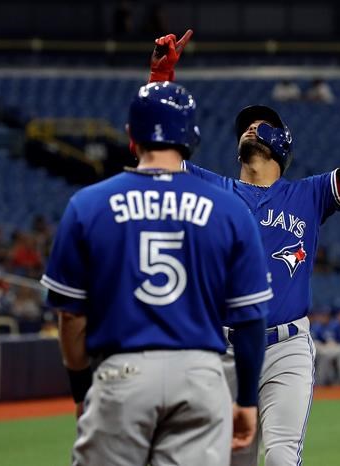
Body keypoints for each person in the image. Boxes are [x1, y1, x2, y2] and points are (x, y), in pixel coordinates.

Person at [149, 30, 340, 465]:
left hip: (286, 350)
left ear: (283, 144)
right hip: (216, 348)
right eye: (245, 123)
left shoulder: (310, 195)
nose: (250, 126)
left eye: (261, 123)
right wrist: (161, 74)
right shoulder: (210, 188)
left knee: (281, 458)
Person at [40, 81, 271, 465]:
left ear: (131, 136)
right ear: (191, 137)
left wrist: (81, 390)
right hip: (201, 376)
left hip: (122, 372)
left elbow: (70, 316)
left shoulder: (88, 205)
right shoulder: (230, 210)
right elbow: (250, 319)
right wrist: (246, 399)